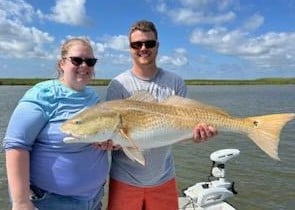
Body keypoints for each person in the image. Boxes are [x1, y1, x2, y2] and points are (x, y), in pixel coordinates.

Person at [106, 20, 217, 210]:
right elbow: (114, 136)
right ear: (130, 48)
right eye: (136, 44)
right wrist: (108, 141)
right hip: (124, 179)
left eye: (149, 43)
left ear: (157, 46)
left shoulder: (175, 82)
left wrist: (195, 135)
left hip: (164, 179)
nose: (143, 48)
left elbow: (177, 131)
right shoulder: (117, 85)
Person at [3, 37, 110, 210]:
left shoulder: (93, 97)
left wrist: (106, 141)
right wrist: (21, 201)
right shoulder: (43, 94)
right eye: (77, 60)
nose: (84, 66)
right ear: (62, 64)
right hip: (53, 202)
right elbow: (16, 145)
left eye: (90, 61)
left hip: (94, 199)